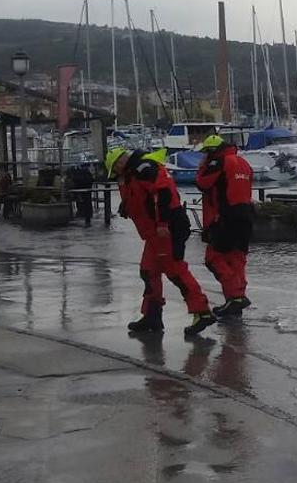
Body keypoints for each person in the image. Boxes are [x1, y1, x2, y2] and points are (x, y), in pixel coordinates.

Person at [105, 147, 215, 336]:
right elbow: (141, 198)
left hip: (165, 229)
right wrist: (126, 206)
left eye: (115, 170)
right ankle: (152, 316)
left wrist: (163, 223)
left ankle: (202, 311)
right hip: (155, 232)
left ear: (120, 163)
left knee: (176, 271)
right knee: (149, 271)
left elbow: (164, 194)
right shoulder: (136, 172)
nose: (116, 175)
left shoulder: (144, 169)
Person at [195, 134, 254, 319]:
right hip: (246, 214)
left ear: (212, 151)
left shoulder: (218, 162)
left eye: (206, 153)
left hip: (225, 217)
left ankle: (235, 296)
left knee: (214, 258)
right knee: (237, 258)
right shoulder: (243, 163)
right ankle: (236, 300)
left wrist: (203, 166)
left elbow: (202, 183)